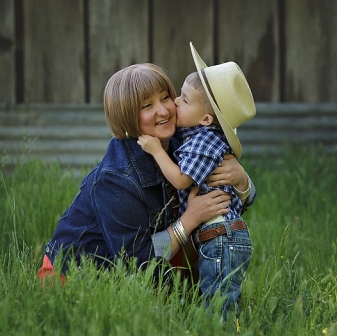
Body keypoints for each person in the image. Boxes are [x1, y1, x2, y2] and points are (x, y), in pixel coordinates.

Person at [39, 62, 255, 289]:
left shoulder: (185, 139)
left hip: (154, 265)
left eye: (165, 97)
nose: (163, 111)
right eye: (147, 105)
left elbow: (228, 205)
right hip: (80, 277)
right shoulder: (115, 179)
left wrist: (242, 181)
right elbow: (137, 262)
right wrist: (190, 219)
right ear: (127, 116)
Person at [137, 43, 256, 317]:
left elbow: (181, 181)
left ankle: (223, 335)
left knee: (220, 302)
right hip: (217, 236)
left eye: (184, 100)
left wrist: (156, 151)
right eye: (178, 95)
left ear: (205, 119)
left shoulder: (202, 142)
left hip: (220, 236)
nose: (175, 103)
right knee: (215, 294)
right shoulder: (192, 134)